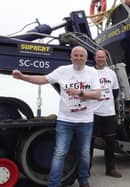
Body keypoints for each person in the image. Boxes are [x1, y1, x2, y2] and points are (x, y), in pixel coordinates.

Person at [12, 46, 101, 187]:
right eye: (75, 55)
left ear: (85, 58)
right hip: (65, 120)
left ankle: (83, 180)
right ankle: (53, 184)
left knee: (84, 153)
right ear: (71, 57)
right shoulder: (62, 71)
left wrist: (80, 93)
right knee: (60, 153)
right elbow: (43, 79)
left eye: (81, 56)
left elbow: (97, 94)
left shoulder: (92, 73)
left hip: (85, 121)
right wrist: (23, 77)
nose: (78, 58)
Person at [90, 50, 122, 178]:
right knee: (89, 143)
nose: (101, 59)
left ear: (105, 59)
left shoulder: (111, 73)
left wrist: (105, 102)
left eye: (102, 57)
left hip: (109, 113)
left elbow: (115, 92)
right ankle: (86, 170)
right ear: (95, 58)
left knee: (110, 143)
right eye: (98, 57)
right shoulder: (89, 72)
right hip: (93, 113)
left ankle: (110, 169)